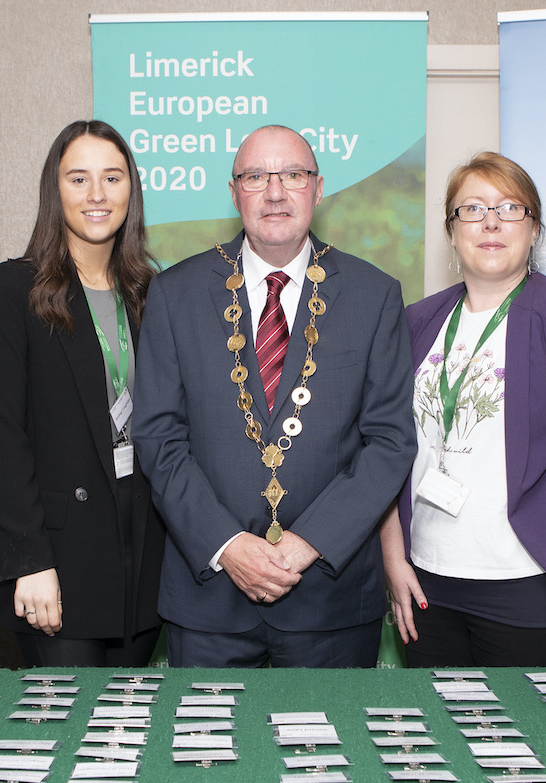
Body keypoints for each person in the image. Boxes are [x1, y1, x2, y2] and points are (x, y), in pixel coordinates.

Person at [133, 124, 417, 668]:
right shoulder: (175, 294)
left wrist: (306, 543)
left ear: (318, 187)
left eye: (293, 174)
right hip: (210, 600)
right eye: (256, 176)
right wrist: (228, 546)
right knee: (206, 754)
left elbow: (389, 442)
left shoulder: (374, 294)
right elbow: (159, 438)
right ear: (234, 190)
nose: (275, 191)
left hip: (330, 601)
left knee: (331, 752)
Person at [380, 152, 546, 667]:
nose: (490, 222)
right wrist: (394, 558)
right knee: (442, 733)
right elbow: (388, 448)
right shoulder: (418, 321)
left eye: (510, 208)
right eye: (472, 209)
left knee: (536, 741)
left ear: (534, 229)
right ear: (451, 230)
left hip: (536, 583)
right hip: (429, 578)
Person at [0, 120, 165, 667]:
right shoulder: (19, 288)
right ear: (54, 191)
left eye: (112, 177)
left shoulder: (151, 291)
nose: (98, 194)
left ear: (132, 189)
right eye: (78, 179)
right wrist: (29, 560)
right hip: (55, 560)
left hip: (140, 554)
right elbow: (1, 435)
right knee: (66, 738)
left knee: (127, 734)